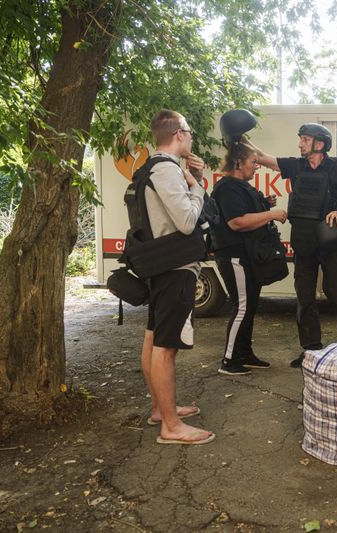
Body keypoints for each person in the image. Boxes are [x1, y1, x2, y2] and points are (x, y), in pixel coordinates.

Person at [249, 123, 337, 367]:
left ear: (320, 144)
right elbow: (261, 157)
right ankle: (311, 349)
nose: (300, 144)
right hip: (304, 240)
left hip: (330, 240)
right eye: (301, 139)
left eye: (304, 139)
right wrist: (237, 135)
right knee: (304, 297)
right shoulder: (296, 165)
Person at [139, 109, 214, 444]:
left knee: (155, 339)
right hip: (175, 268)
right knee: (166, 347)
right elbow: (186, 222)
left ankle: (161, 409)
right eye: (190, 131)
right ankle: (170, 426)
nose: (192, 137)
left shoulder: (148, 168)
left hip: (159, 266)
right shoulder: (168, 170)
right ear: (179, 134)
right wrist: (196, 187)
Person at [212, 137, 288, 375]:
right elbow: (237, 222)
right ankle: (229, 360)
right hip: (235, 255)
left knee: (251, 305)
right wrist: (272, 214)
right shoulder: (227, 187)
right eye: (253, 162)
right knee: (242, 306)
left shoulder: (241, 187)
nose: (257, 166)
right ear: (238, 162)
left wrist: (264, 204)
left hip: (248, 255)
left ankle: (245, 354)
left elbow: (246, 212)